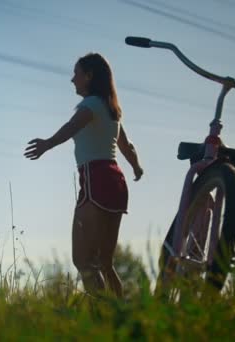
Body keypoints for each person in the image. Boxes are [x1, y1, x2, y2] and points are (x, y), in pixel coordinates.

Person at [24, 53, 143, 298]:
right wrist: (136, 167)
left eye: (76, 73)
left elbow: (72, 126)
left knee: (83, 261)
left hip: (96, 180)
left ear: (89, 76)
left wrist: (47, 143)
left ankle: (103, 315)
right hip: (116, 183)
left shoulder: (90, 105)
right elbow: (126, 146)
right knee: (105, 264)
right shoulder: (111, 110)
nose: (72, 79)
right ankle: (120, 315)